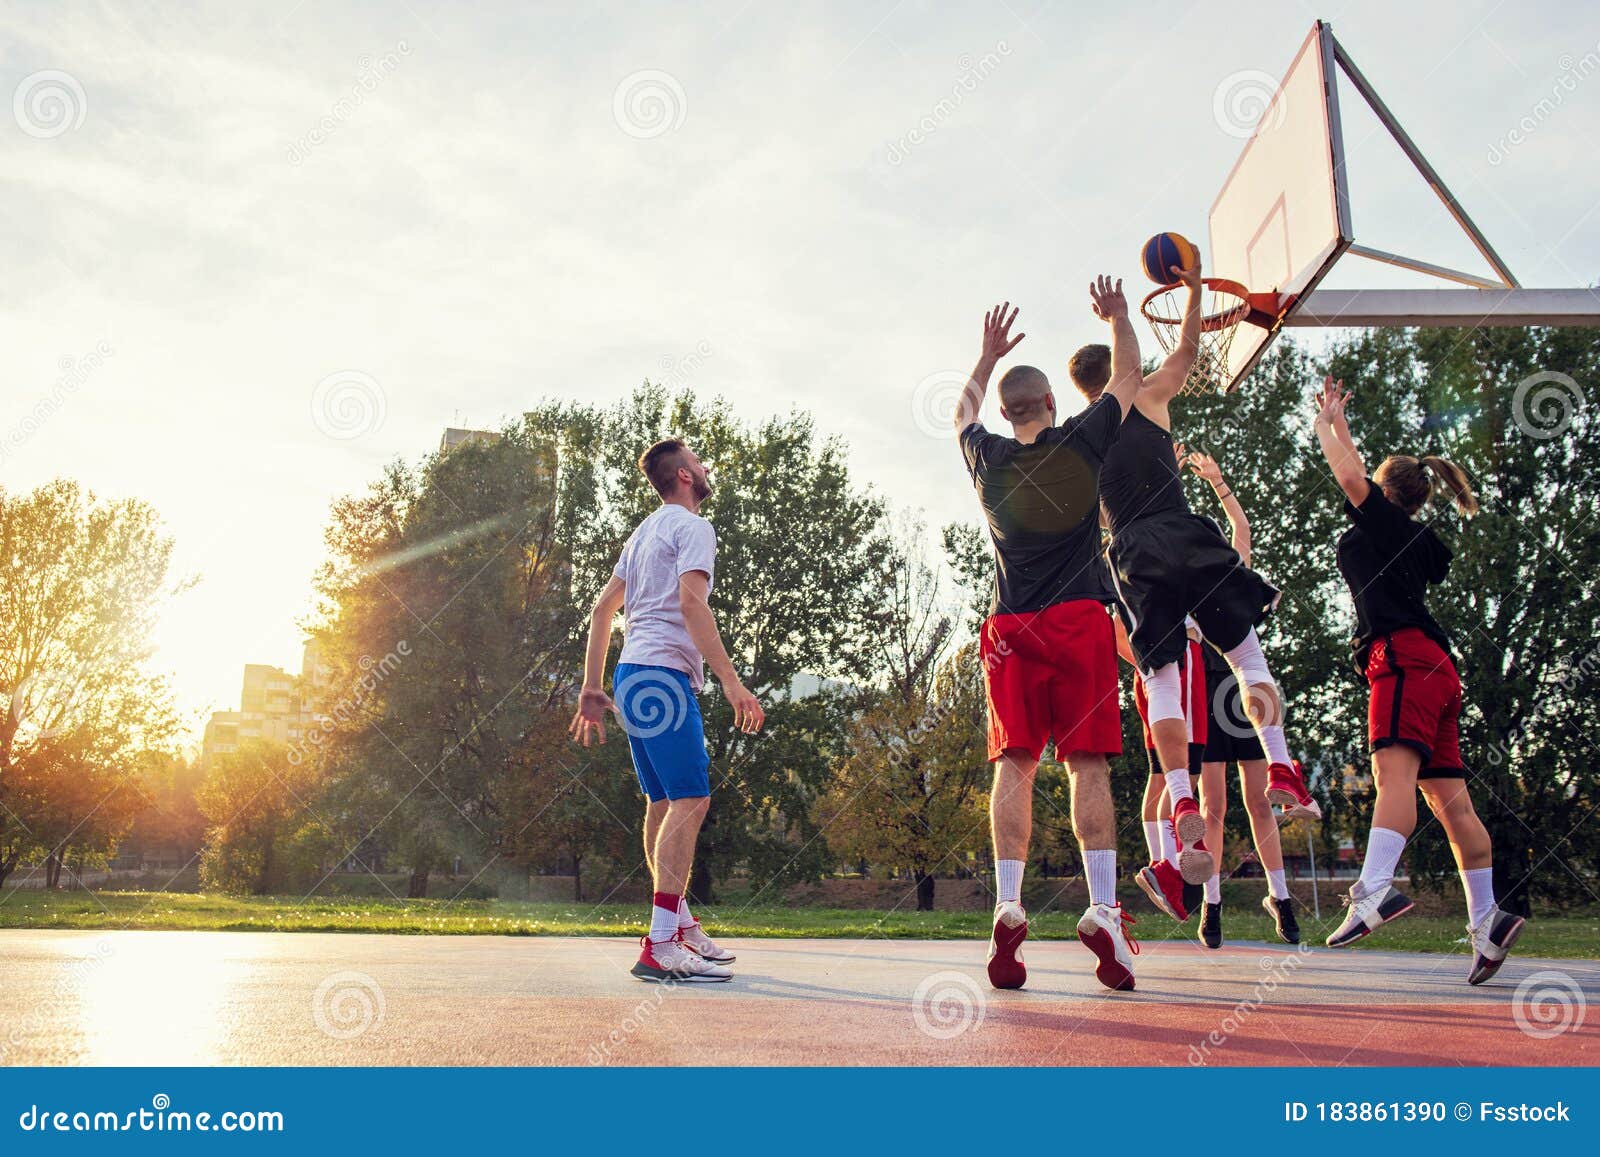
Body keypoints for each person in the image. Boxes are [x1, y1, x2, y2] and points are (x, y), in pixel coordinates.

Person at [1069, 250, 1319, 902]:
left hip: (1133, 552)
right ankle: (1283, 764)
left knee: (1163, 679)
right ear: (1118, 371)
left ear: (1077, 390)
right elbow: (1185, 352)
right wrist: (1196, 290)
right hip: (1186, 531)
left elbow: (1084, 523)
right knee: (1246, 656)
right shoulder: (1148, 394)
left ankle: (1180, 803)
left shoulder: (1081, 441)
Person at [952, 284, 1145, 993]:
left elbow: (960, 414)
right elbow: (1127, 377)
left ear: (1007, 413)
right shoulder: (1083, 441)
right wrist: (1120, 318)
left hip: (1009, 628)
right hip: (1077, 620)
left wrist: (985, 355)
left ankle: (1007, 899)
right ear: (1053, 406)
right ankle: (1100, 907)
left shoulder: (988, 459)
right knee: (1087, 765)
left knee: (1016, 762)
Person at [1312, 378, 1523, 982]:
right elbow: (1362, 479)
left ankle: (1374, 891)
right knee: (1450, 800)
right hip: (1438, 668)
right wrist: (1338, 426)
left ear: (1385, 493)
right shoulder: (1415, 536)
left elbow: (1353, 480)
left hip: (1401, 658)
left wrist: (1325, 426)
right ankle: (1487, 922)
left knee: (1392, 777)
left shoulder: (1384, 527)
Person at [570, 438, 765, 983]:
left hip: (632, 676)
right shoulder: (694, 528)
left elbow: (602, 609)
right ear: (684, 476)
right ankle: (659, 944)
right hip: (661, 675)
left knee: (662, 802)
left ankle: (676, 924)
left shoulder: (642, 533)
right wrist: (732, 682)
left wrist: (591, 684)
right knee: (691, 799)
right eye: (699, 462)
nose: (706, 468)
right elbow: (690, 603)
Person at [1177, 445, 1299, 948]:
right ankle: (1212, 906)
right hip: (1204, 696)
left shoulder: (1227, 577)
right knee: (1213, 807)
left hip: (1240, 695)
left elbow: (1242, 533)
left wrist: (1218, 482)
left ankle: (1282, 899)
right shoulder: (1175, 587)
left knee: (1260, 801)